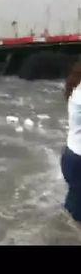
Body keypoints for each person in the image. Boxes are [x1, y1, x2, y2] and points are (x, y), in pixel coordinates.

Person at [60, 60, 81, 224]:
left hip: (71, 156)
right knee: (76, 216)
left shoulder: (77, 88)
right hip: (78, 161)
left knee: (72, 210)